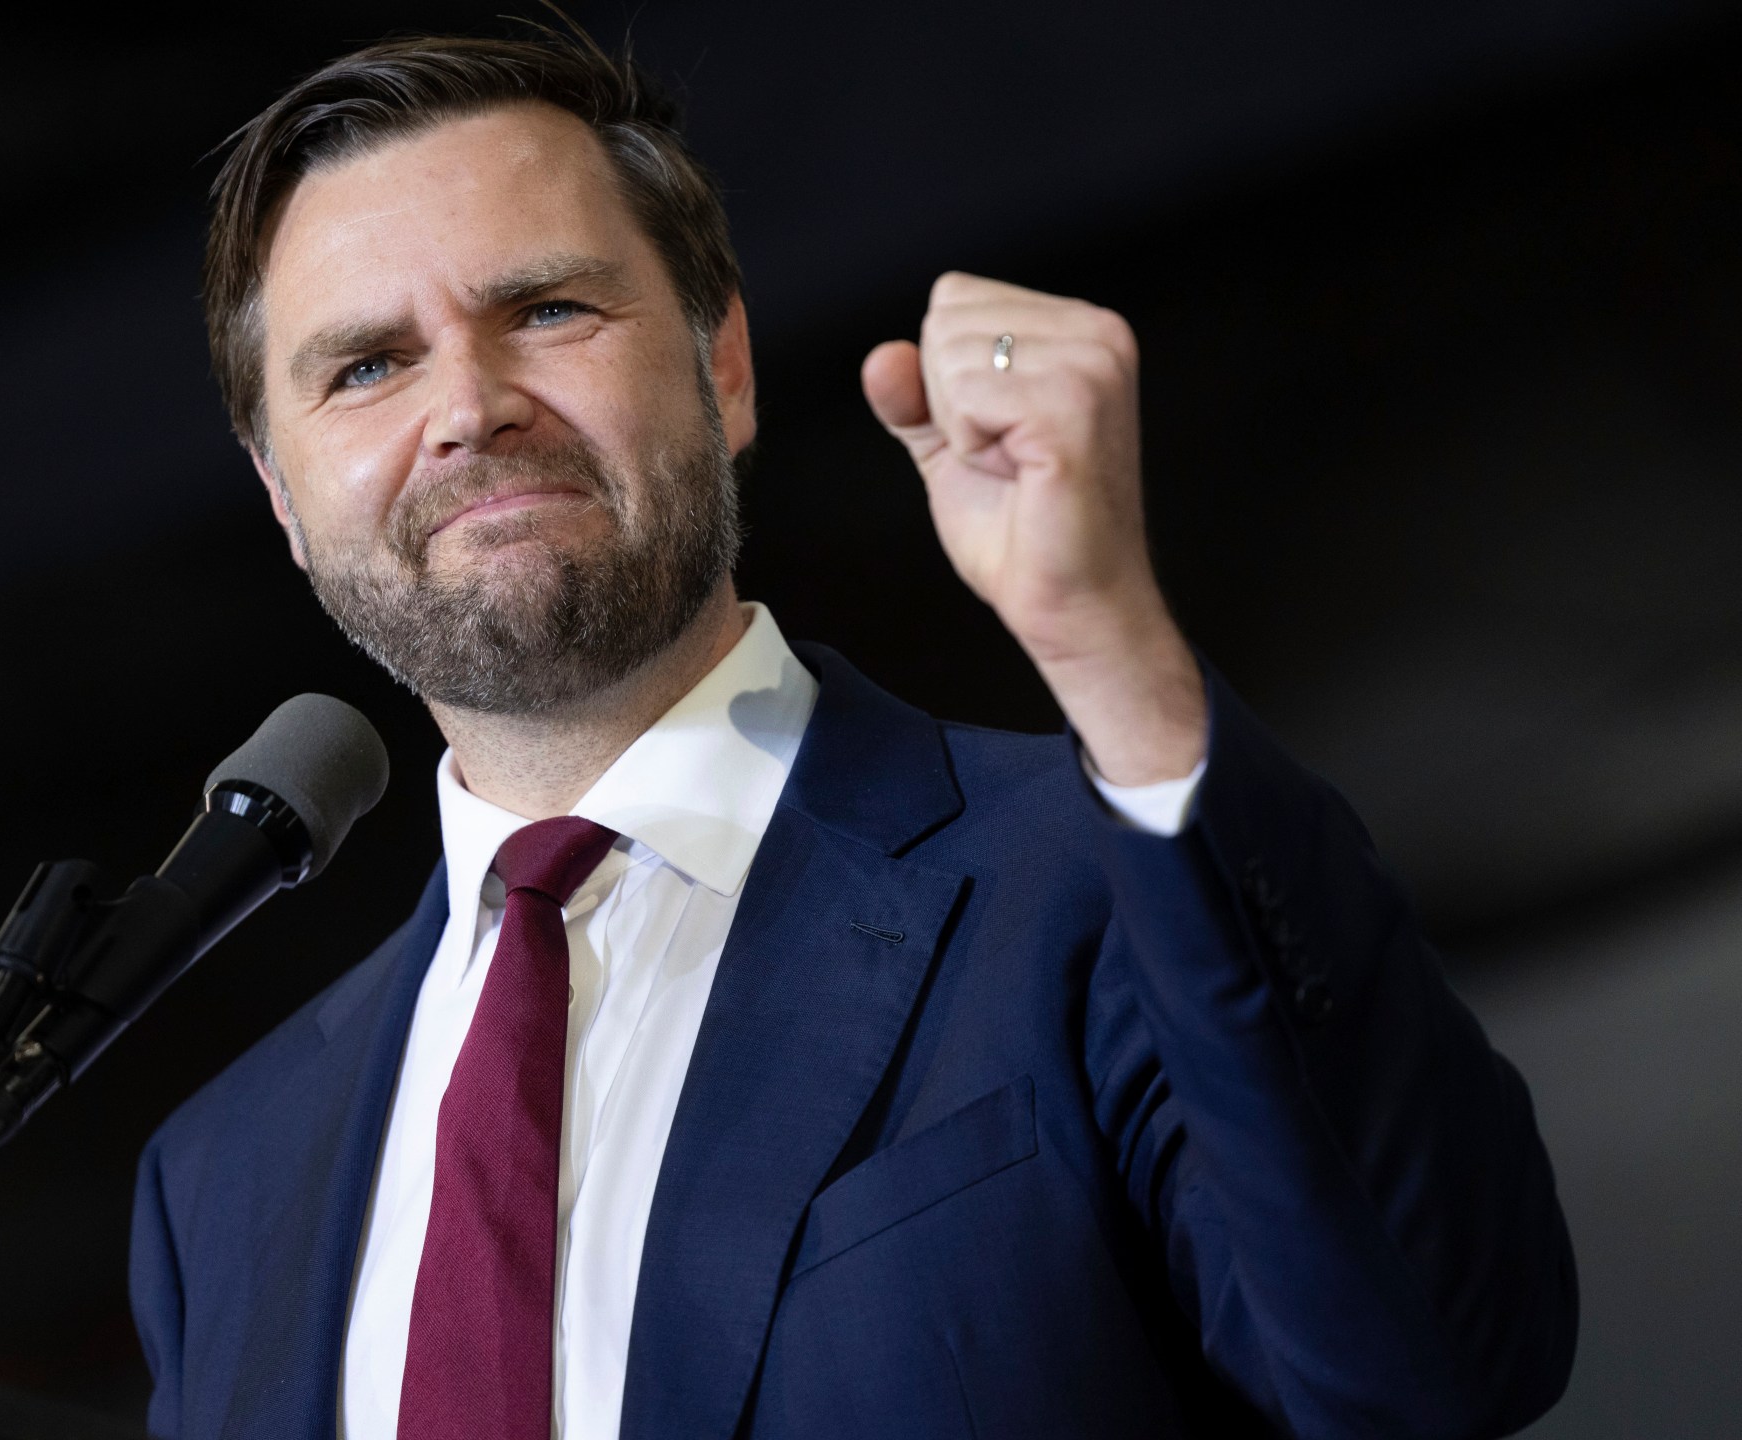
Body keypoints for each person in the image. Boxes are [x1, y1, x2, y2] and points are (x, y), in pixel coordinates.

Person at [127, 23, 1575, 1440]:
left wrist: (1115, 657)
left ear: (726, 366)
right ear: (283, 496)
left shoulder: (1087, 880)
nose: (470, 407)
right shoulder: (219, 1184)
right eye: (368, 366)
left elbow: (1429, 1363)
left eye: (548, 309)